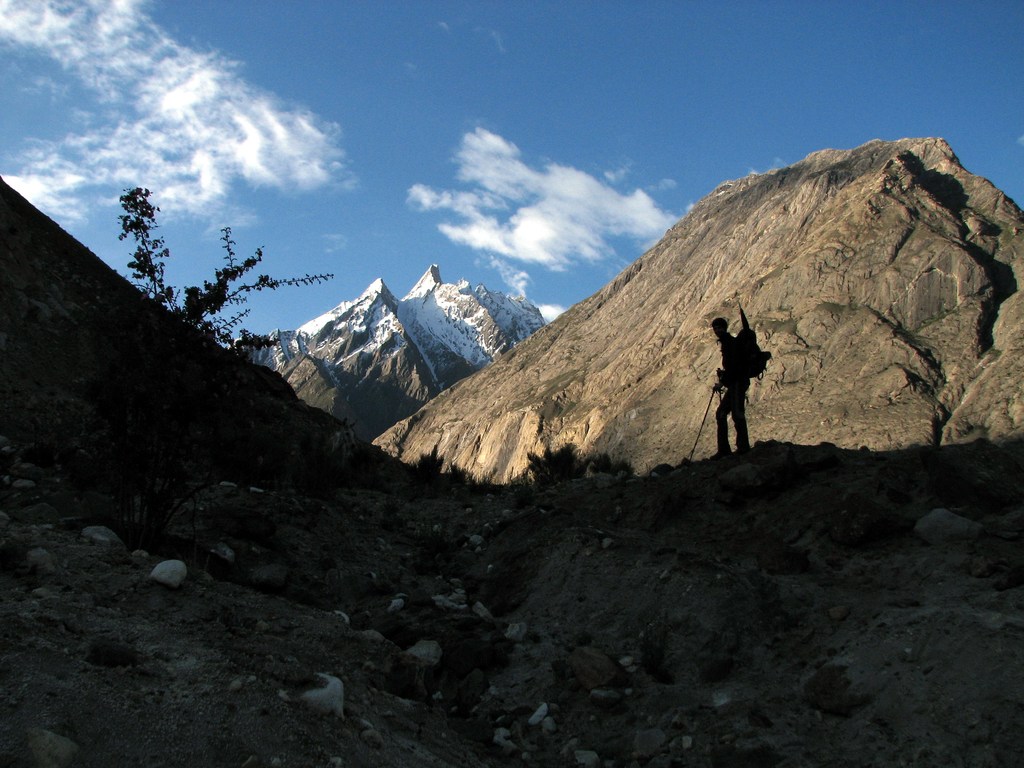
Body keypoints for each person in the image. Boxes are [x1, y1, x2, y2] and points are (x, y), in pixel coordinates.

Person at [710, 317, 750, 458]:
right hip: (736, 382)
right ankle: (727, 449)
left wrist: (722, 382)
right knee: (723, 413)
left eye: (719, 327)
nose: (717, 331)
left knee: (736, 414)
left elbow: (735, 367)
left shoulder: (729, 344)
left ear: (724, 328)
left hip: (737, 383)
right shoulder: (728, 342)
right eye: (715, 328)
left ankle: (742, 448)